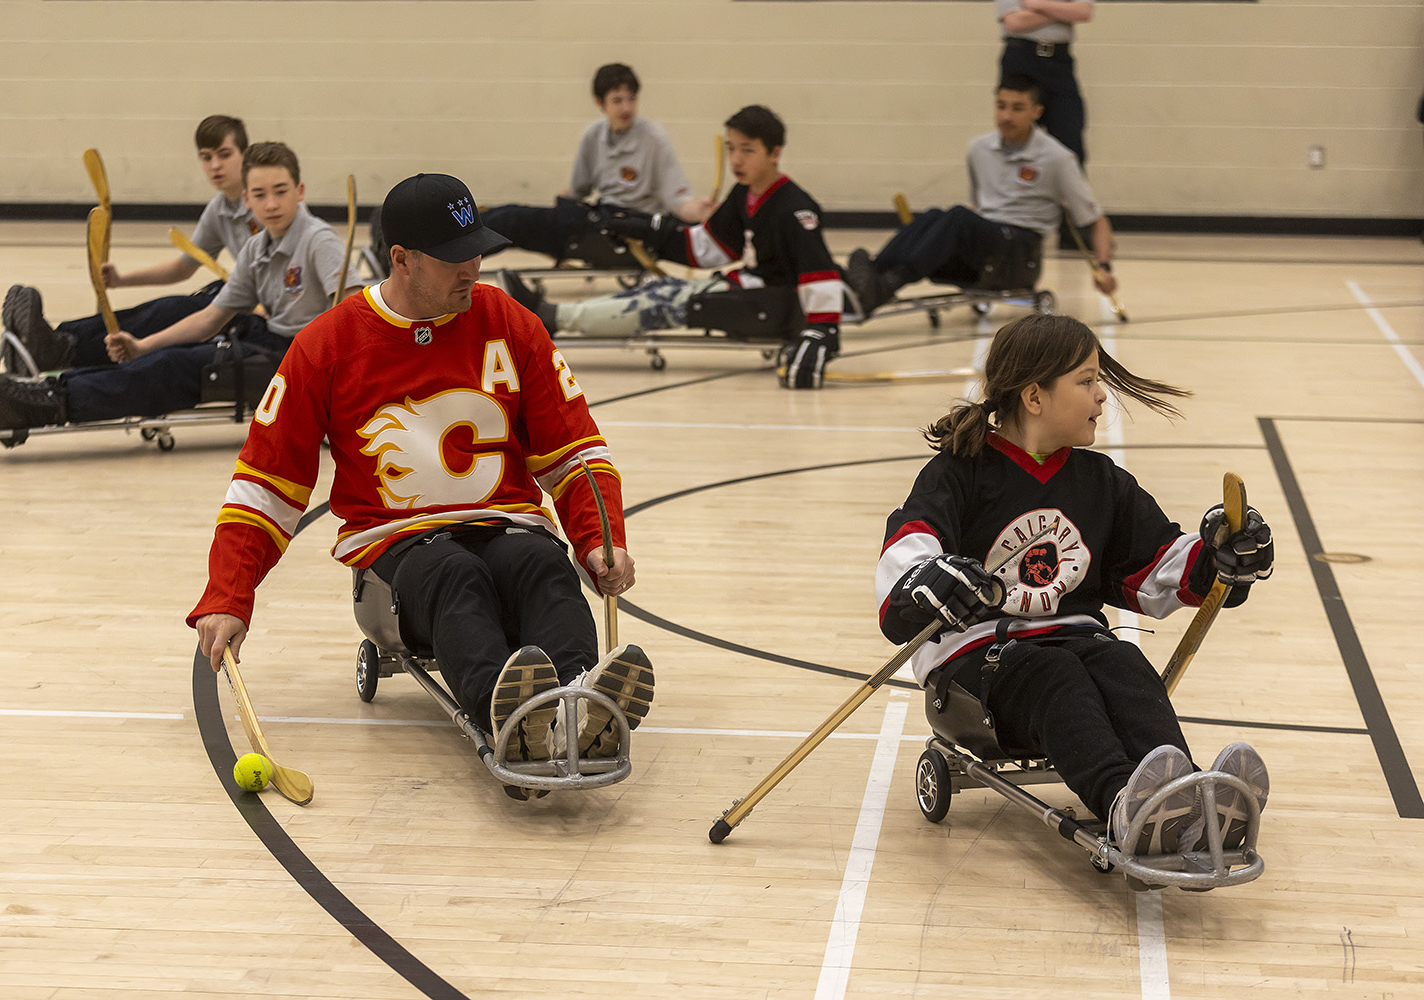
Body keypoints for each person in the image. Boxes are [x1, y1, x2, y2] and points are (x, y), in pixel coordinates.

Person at [189, 172, 655, 778]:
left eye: (477, 251)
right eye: (454, 258)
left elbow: (576, 452)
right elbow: (265, 487)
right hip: (400, 547)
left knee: (544, 564)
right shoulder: (325, 347)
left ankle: (577, 708)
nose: (473, 269)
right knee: (454, 572)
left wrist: (600, 538)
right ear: (401, 260)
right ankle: (509, 722)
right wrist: (229, 596)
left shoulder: (511, 323)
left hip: (505, 524)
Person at [875, 313, 1274, 858]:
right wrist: (930, 578)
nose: (1101, 396)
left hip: (1076, 640)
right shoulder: (959, 473)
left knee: (1123, 663)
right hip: (976, 665)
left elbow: (1157, 567)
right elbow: (908, 551)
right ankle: (1121, 803)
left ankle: (1187, 802)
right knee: (1055, 671)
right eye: (1086, 381)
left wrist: (1221, 559)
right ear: (1035, 396)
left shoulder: (1100, 480)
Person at [0, 141, 352, 431]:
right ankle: (56, 355)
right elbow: (210, 319)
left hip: (304, 365)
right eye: (261, 195)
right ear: (247, 199)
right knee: (176, 315)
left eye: (282, 192)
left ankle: (44, 405)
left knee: (175, 366)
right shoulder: (257, 247)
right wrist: (140, 346)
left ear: (300, 191)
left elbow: (360, 307)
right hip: (269, 336)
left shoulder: (319, 240)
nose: (271, 204)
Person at [499, 105, 844, 390]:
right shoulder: (746, 194)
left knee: (667, 301)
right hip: (748, 291)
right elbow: (707, 248)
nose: (736, 159)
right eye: (731, 148)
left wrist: (822, 331)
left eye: (747, 150)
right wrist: (649, 231)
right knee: (663, 288)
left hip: (774, 305)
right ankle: (554, 315)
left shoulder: (795, 208)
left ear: (775, 153)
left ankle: (554, 318)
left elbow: (821, 274)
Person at [0, 115, 258, 376]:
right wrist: (121, 279)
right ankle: (55, 340)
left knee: (173, 312)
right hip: (236, 296)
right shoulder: (219, 209)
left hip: (260, 313)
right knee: (156, 310)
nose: (215, 165)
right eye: (206, 157)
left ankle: (63, 352)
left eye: (224, 155)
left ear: (245, 155)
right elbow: (182, 268)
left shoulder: (265, 202)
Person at [846, 75, 1116, 317]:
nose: (1006, 116)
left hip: (1019, 254)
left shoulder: (1058, 158)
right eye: (1001, 106)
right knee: (934, 216)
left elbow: (1096, 221)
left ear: (1037, 112)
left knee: (956, 217)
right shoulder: (979, 149)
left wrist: (1103, 267)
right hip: (985, 248)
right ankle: (871, 276)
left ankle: (881, 286)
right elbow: (978, 205)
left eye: (1017, 108)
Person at [479, 63, 714, 263]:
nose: (627, 108)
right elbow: (577, 191)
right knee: (509, 215)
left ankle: (456, 254)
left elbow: (679, 201)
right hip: (597, 218)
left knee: (510, 221)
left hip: (628, 230)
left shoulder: (655, 140)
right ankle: (457, 239)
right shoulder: (593, 135)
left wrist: (699, 211)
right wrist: (554, 211)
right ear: (600, 102)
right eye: (618, 100)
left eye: (632, 99)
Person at [996, 0, 1093, 166]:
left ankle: (1068, 190)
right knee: (1017, 135)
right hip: (1021, 56)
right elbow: (1015, 22)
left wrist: (1037, 5)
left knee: (1070, 139)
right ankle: (1014, 190)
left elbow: (1083, 12)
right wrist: (1062, 11)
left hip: (1060, 61)